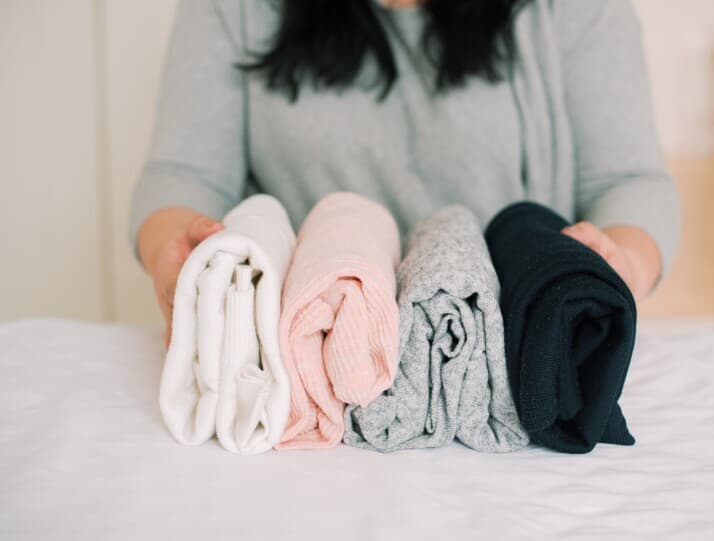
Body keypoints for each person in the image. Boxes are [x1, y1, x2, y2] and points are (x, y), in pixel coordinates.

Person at [132, 0, 680, 344]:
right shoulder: (235, 9)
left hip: (522, 355)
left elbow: (626, 183)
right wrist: (173, 254)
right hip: (299, 359)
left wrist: (623, 262)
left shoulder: (570, 11)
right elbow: (185, 173)